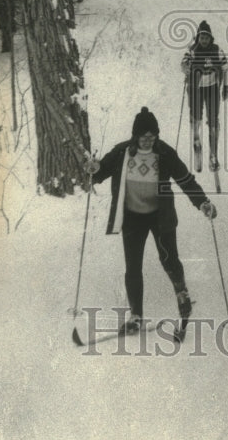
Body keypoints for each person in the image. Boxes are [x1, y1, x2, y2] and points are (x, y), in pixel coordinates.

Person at [85, 106, 217, 337]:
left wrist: (202, 202)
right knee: (133, 267)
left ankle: (182, 294)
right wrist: (93, 169)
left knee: (169, 259)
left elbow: (185, 179)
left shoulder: (164, 153)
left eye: (152, 136)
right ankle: (136, 316)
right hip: (132, 218)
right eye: (143, 137)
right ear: (135, 136)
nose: (148, 141)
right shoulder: (122, 151)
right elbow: (100, 172)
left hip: (160, 217)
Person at [181, 20, 228, 170]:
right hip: (196, 88)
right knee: (196, 116)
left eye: (206, 38)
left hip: (213, 88)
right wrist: (186, 68)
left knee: (213, 119)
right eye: (201, 37)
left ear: (211, 38)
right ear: (198, 37)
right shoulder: (193, 49)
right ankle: (197, 141)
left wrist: (226, 86)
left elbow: (225, 67)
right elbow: (184, 62)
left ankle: (213, 154)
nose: (204, 40)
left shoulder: (217, 50)